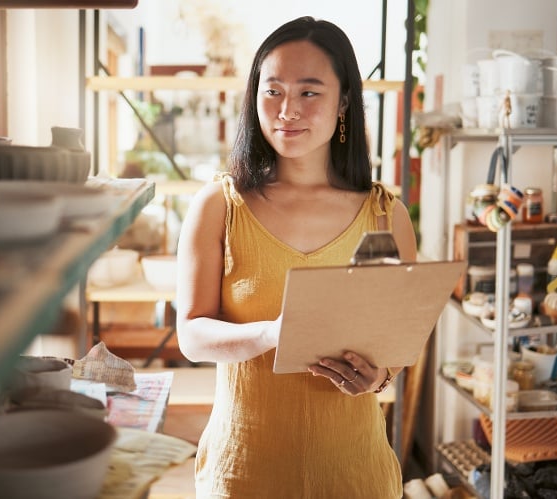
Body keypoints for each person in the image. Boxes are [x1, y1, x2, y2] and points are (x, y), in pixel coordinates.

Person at [176, 16, 418, 498]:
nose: (287, 110)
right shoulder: (218, 206)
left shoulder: (387, 215)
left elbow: (398, 340)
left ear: (344, 100)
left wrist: (379, 376)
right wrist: (272, 334)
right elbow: (192, 335)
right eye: (273, 90)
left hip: (356, 474)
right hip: (243, 471)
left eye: (309, 92)